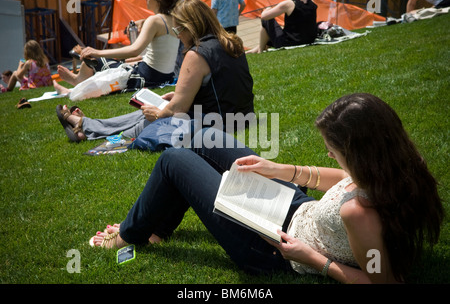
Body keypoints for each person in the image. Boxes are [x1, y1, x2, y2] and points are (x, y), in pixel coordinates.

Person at [89, 93, 444, 284]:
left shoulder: (359, 214)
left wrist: (314, 261)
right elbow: (345, 180)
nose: (330, 157)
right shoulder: (398, 168)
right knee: (203, 136)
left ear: (360, 154)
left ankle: (130, 235)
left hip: (272, 247)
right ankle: (158, 229)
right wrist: (280, 170)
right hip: (296, 208)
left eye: (333, 152)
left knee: (174, 161)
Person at [56, 0, 254, 143]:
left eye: (178, 31)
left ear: (189, 28)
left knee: (149, 121)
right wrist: (178, 96)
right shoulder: (232, 43)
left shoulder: (197, 54)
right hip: (240, 118)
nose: (178, 37)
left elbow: (177, 110)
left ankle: (86, 128)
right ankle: (86, 126)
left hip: (216, 125)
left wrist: (161, 112)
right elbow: (221, 87)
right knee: (149, 112)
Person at [54, 0, 180, 96]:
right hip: (163, 77)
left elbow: (134, 50)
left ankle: (75, 84)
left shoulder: (155, 20)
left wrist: (97, 52)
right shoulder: (173, 19)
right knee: (115, 63)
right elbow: (162, 53)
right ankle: (77, 82)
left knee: (95, 60)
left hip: (146, 77)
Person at [246, 0, 317, 54]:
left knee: (267, 20)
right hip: (309, 40)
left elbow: (264, 17)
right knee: (271, 30)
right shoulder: (312, 2)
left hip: (289, 43)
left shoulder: (289, 4)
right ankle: (257, 49)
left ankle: (260, 51)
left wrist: (267, 9)